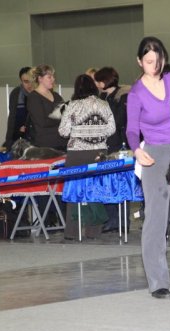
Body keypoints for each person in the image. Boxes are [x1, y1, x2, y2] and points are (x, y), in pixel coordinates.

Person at [126, 36, 170, 299]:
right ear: (139, 62)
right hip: (153, 156)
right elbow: (132, 130)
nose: (154, 66)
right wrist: (137, 150)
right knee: (156, 219)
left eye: (158, 60)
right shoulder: (136, 93)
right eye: (149, 61)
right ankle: (158, 282)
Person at [58, 74, 115, 240]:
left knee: (73, 192)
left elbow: (63, 131)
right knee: (95, 192)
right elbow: (111, 129)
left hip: (77, 153)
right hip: (99, 153)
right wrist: (98, 134)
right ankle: (93, 231)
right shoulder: (104, 104)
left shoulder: (72, 106)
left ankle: (72, 232)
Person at [94, 66, 132, 233]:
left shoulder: (123, 96)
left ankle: (123, 220)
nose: (96, 84)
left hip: (120, 144)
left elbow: (119, 120)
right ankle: (112, 219)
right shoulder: (102, 97)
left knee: (122, 184)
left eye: (98, 81)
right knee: (106, 183)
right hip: (105, 144)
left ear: (103, 82)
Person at [27, 64, 67, 151]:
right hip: (45, 146)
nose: (53, 79)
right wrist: (60, 118)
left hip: (62, 143)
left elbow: (66, 116)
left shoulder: (56, 96)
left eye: (53, 76)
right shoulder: (34, 97)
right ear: (40, 79)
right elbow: (42, 122)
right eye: (49, 77)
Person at [4, 66, 33, 150]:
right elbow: (12, 118)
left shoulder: (40, 94)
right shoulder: (16, 94)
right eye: (25, 81)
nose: (29, 85)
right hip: (19, 137)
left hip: (37, 138)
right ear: (21, 81)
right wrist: (9, 141)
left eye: (31, 81)